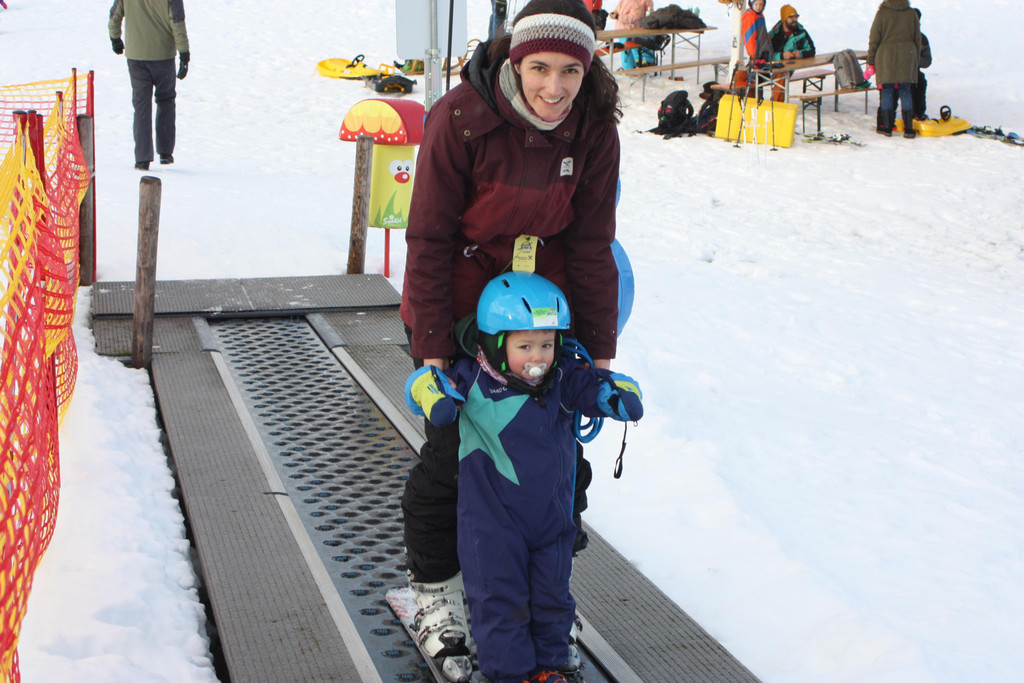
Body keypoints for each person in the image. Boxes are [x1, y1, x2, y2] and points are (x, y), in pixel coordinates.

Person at [399, 0, 622, 675]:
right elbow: (429, 236)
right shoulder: (462, 119)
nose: (554, 87)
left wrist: (598, 355)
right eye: (540, 68)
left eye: (570, 71)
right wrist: (434, 349)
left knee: (557, 458)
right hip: (462, 305)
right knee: (454, 456)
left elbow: (591, 243)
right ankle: (437, 592)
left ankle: (543, 594)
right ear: (515, 60)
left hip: (542, 315)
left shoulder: (592, 128)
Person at [405, 272, 643, 683]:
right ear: (496, 344)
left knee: (552, 598)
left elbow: (596, 386)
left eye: (547, 344)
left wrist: (616, 396)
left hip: (551, 524)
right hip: (492, 527)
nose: (539, 357)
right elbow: (423, 384)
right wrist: (435, 398)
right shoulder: (475, 380)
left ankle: (548, 666)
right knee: (501, 602)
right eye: (525, 346)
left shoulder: (562, 378)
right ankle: (511, 674)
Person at [108, 0, 190, 170]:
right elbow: (177, 21)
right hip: (163, 55)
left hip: (136, 55)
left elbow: (115, 14)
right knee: (166, 100)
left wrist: (115, 38)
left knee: (141, 105)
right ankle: (165, 152)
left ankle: (142, 158)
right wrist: (184, 53)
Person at [867, 0, 920, 138]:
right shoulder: (911, 13)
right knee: (905, 90)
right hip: (907, 56)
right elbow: (917, 38)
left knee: (887, 90)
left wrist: (870, 60)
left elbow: (874, 38)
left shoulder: (882, 13)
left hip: (886, 57)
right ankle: (909, 128)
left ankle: (887, 127)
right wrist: (915, 59)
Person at [741, 0, 772, 64]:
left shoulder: (760, 16)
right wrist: (753, 54)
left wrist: (769, 45)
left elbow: (764, 32)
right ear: (751, 4)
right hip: (756, 53)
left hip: (764, 49)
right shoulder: (750, 17)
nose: (758, 7)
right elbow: (749, 37)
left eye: (761, 4)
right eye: (756, 4)